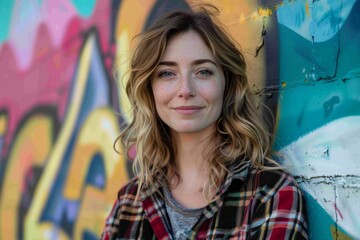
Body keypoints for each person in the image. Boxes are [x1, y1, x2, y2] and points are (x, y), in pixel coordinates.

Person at [101, 5, 308, 240]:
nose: (185, 90)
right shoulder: (129, 203)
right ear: (150, 90)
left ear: (227, 85)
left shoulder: (271, 194)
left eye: (203, 72)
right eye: (167, 73)